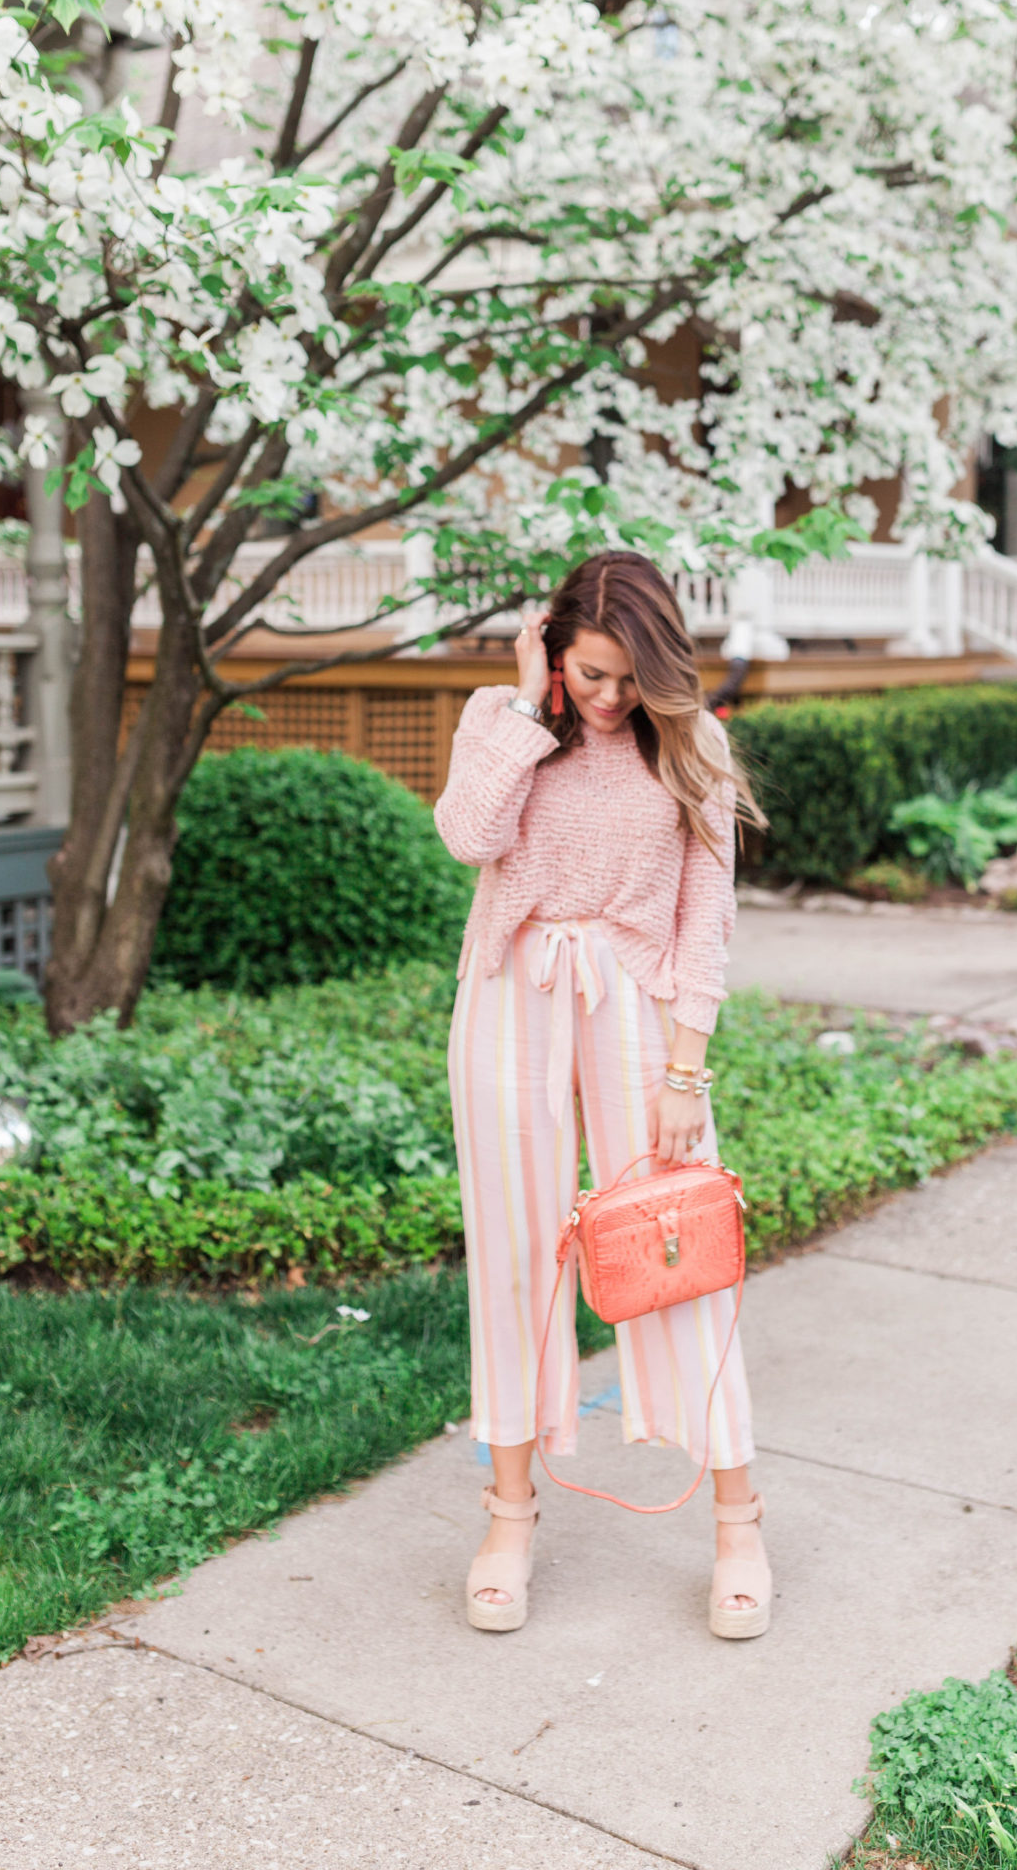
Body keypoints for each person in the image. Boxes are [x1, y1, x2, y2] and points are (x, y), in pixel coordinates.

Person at [433, 549, 771, 1640]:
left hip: (637, 998)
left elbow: (706, 917)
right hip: (512, 990)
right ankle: (509, 1517)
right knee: (518, 1253)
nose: (612, 697)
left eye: (631, 677)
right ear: (552, 650)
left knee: (678, 1255)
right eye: (591, 674)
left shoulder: (693, 741)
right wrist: (534, 706)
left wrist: (687, 1066)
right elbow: (469, 838)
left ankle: (737, 1522)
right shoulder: (502, 719)